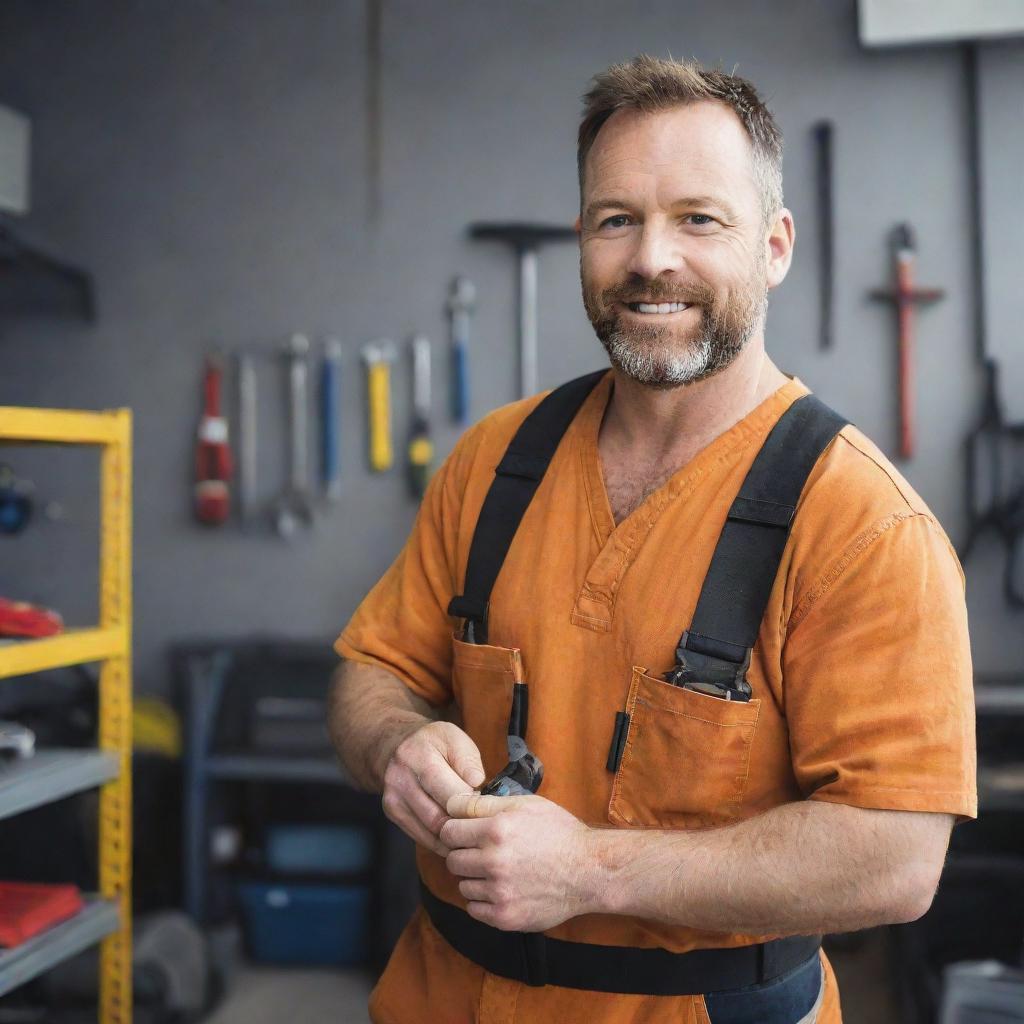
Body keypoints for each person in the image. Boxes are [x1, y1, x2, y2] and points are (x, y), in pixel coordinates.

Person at [329, 54, 976, 1024]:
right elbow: (369, 672)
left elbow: (894, 859)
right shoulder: (494, 461)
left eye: (697, 219)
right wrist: (398, 741)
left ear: (774, 245)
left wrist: (593, 868)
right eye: (615, 219)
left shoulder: (861, 523)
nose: (649, 260)